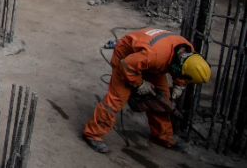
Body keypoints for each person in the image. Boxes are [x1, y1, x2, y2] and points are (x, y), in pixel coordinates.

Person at [83, 27, 211, 153]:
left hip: (151, 61)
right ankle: (93, 134)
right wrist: (140, 84)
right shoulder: (156, 55)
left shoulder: (189, 53)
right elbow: (126, 65)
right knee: (117, 98)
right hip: (127, 56)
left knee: (162, 101)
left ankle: (161, 137)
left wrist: (179, 84)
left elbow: (181, 72)